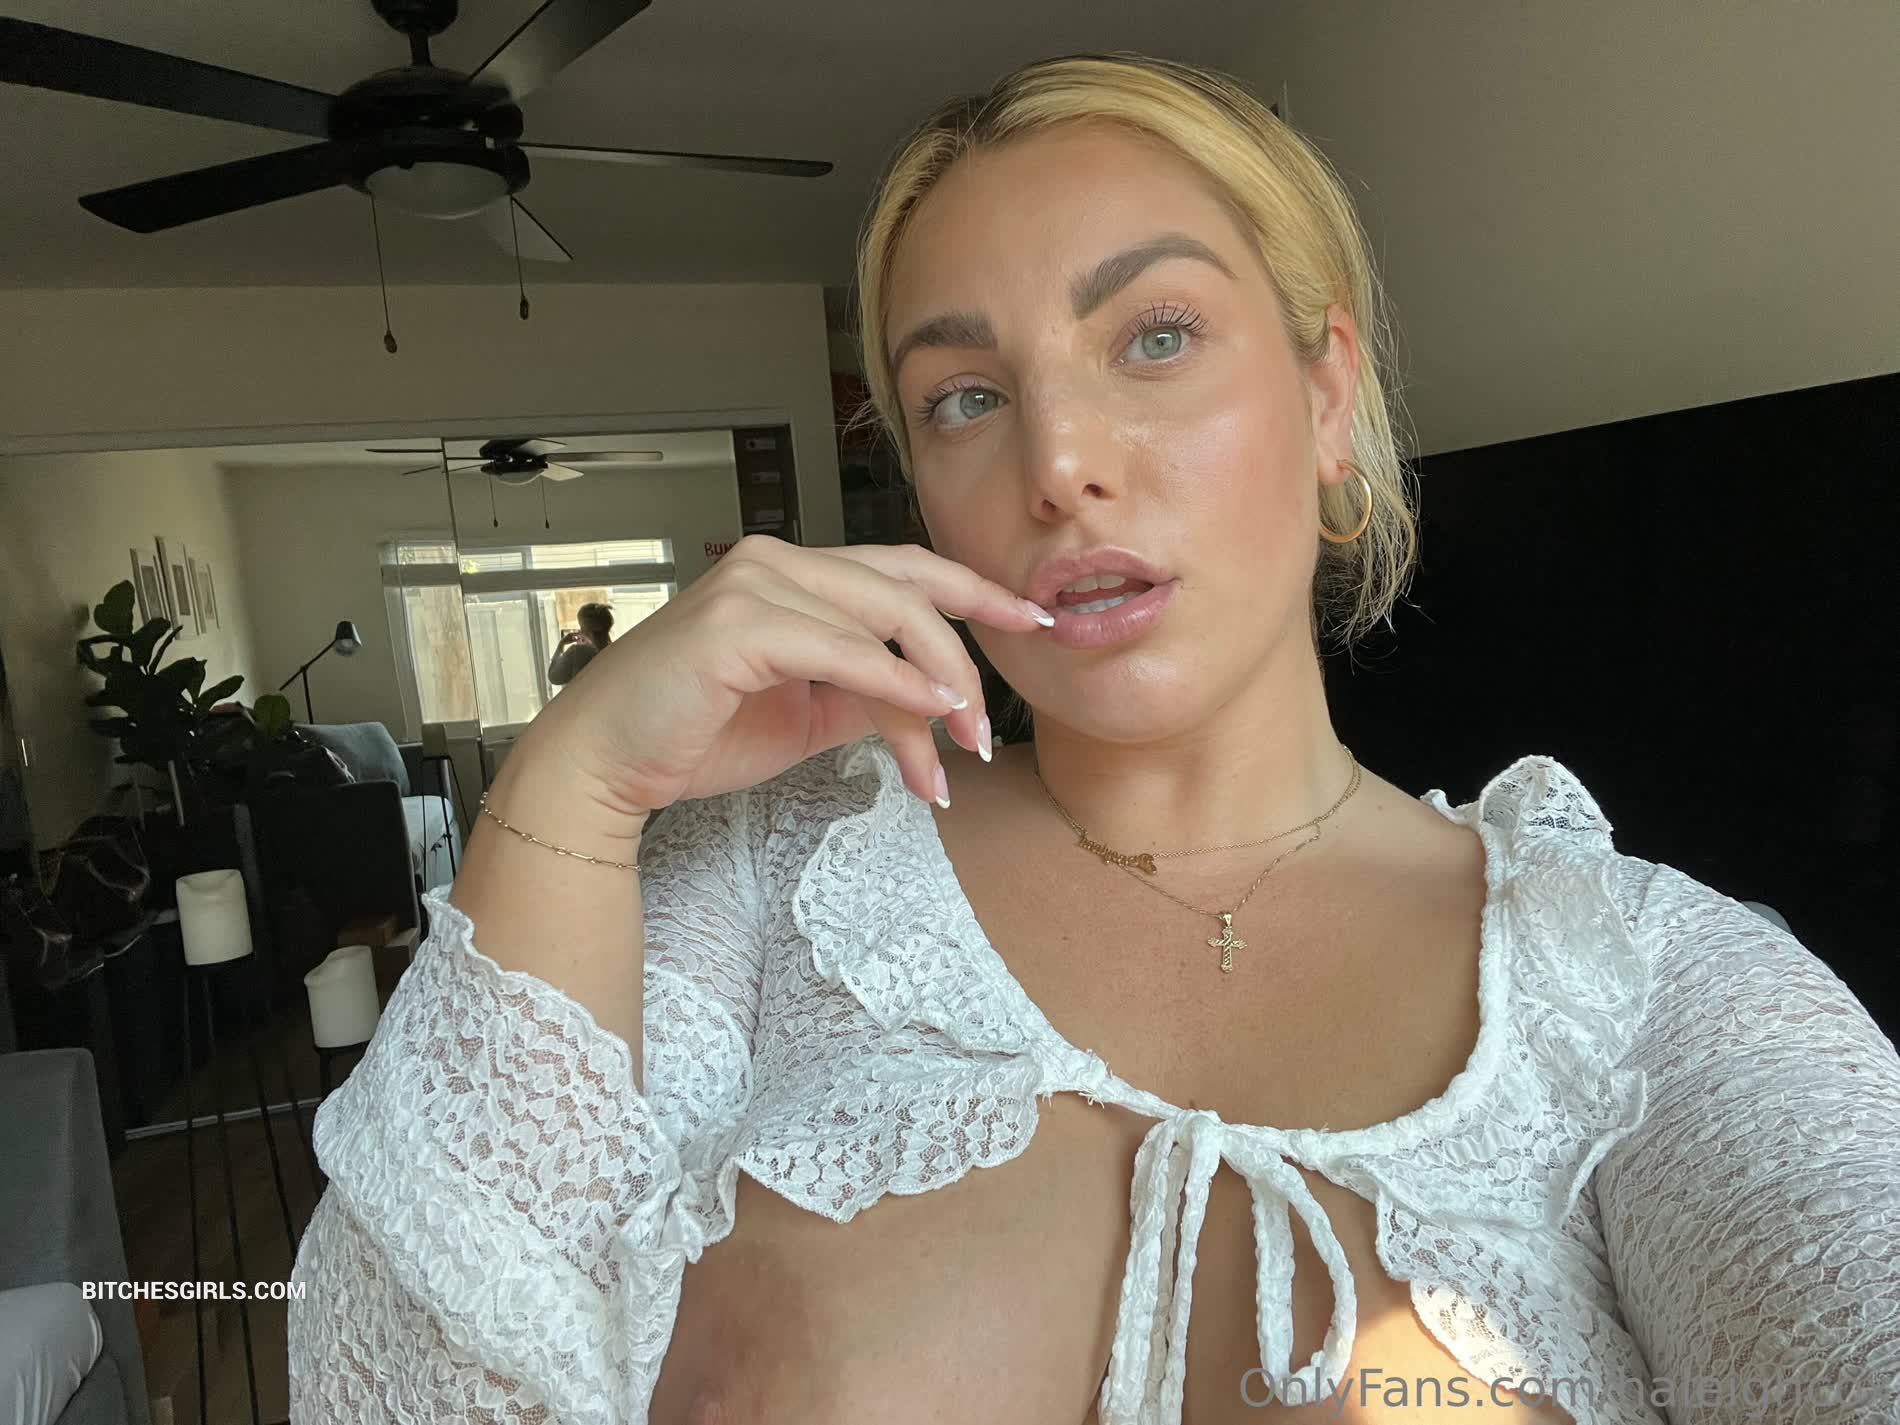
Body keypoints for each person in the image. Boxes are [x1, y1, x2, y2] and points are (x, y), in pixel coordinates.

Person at [287, 54, 1900, 1425]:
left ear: (1326, 395)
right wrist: (570, 789)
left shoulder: (1648, 983)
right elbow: (395, 1386)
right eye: (965, 398)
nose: (1059, 462)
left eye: (1155, 336)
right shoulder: (762, 880)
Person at [547, 601, 614, 686]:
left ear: (584, 629)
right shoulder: (616, 651)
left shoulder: (577, 652)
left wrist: (561, 645)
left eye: (580, 625)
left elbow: (554, 677)